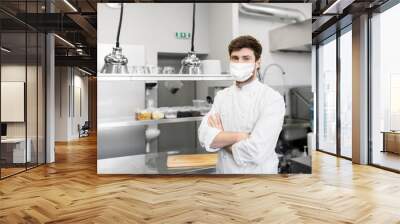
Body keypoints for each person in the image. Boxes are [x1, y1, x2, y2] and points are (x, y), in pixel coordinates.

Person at [198, 35, 285, 174]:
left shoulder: (272, 99)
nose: (239, 63)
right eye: (235, 58)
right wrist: (240, 136)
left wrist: (221, 139)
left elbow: (256, 151)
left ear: (258, 62)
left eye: (246, 58)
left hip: (258, 183)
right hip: (225, 178)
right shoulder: (222, 96)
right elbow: (203, 135)